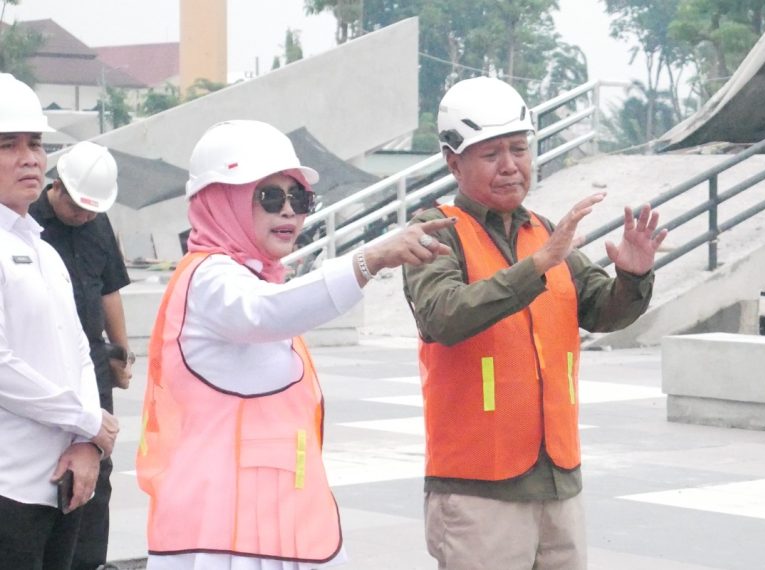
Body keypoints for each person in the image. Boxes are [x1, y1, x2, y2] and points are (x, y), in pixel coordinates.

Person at [135, 119, 455, 569]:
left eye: (299, 198)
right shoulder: (208, 277)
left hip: (274, 524)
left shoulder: (253, 276)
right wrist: (372, 257)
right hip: (224, 534)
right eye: (269, 197)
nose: (289, 212)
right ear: (220, 202)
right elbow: (264, 312)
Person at [402, 76, 668, 570]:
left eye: (519, 149)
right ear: (452, 161)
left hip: (558, 478)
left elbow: (602, 309)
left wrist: (632, 276)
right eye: (491, 154)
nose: (510, 166)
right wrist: (536, 266)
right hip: (479, 488)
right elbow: (444, 317)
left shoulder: (544, 233)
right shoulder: (434, 231)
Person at [0, 73, 120, 569]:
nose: (30, 157)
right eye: (9, 145)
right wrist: (86, 421)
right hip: (8, 487)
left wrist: (87, 442)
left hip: (65, 481)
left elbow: (78, 350)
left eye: (36, 143)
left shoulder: (42, 251)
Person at [29, 140, 132, 570]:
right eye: (78, 208)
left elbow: (108, 289)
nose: (85, 216)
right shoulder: (26, 220)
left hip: (91, 361)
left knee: (98, 466)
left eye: (93, 209)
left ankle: (88, 562)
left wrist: (120, 353)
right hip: (42, 361)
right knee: (48, 466)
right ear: (59, 187)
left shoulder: (99, 224)